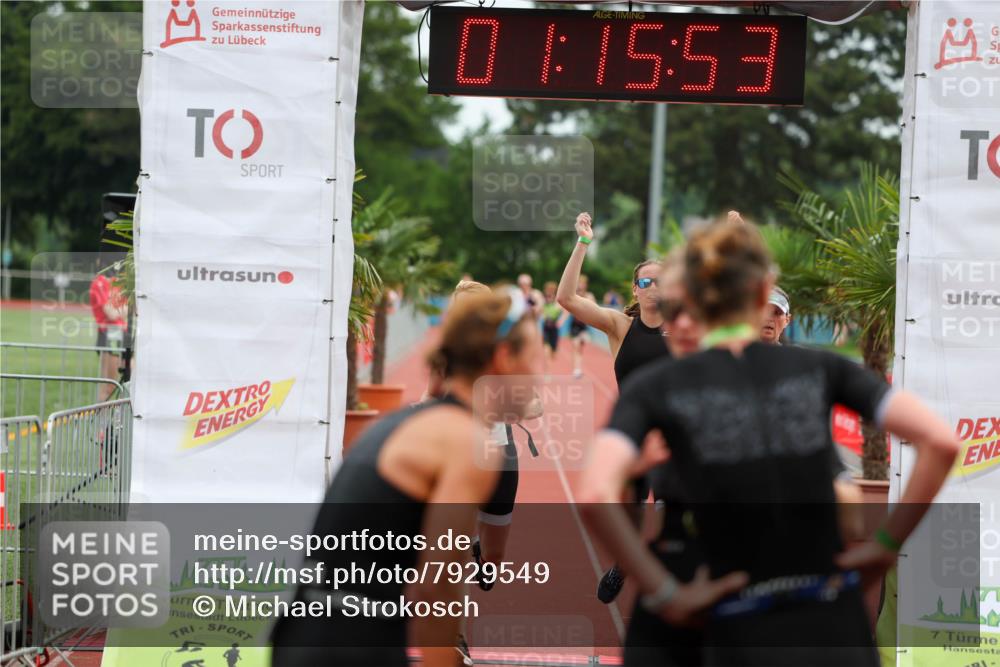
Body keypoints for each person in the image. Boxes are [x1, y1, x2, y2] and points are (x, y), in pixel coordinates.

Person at [578, 220, 959, 666]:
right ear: (764, 293)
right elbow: (940, 442)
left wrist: (662, 591)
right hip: (816, 610)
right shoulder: (821, 370)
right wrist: (885, 548)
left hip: (697, 604)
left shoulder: (657, 386)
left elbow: (593, 493)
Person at [271, 289, 542, 667]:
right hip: (351, 639)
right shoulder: (465, 441)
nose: (539, 376)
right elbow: (438, 588)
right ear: (502, 359)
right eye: (534, 359)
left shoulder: (416, 423)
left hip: (312, 629)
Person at [557, 211, 670, 601]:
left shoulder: (688, 328)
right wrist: (583, 242)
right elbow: (566, 298)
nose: (654, 286)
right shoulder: (620, 327)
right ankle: (625, 564)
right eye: (645, 281)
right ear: (635, 290)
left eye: (661, 281)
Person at [89, 264, 128, 401]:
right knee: (109, 386)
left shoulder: (118, 282)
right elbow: (111, 313)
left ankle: (118, 419)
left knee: (126, 385)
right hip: (108, 336)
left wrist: (121, 311)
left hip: (124, 335)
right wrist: (121, 311)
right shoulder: (100, 282)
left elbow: (129, 310)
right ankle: (103, 421)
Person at [565, 275, 597, 379]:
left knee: (579, 348)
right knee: (576, 346)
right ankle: (577, 369)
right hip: (574, 326)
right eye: (579, 283)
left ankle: (577, 368)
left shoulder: (589, 296)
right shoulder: (573, 295)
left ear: (585, 285)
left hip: (584, 326)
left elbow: (595, 309)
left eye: (582, 283)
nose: (580, 286)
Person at [540, 281, 566, 372]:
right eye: (547, 292)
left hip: (554, 329)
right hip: (546, 328)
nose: (548, 294)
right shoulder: (543, 301)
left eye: (551, 292)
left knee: (553, 353)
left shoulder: (557, 303)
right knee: (545, 351)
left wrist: (561, 320)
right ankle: (546, 371)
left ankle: (552, 354)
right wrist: (542, 314)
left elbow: (565, 312)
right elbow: (539, 310)